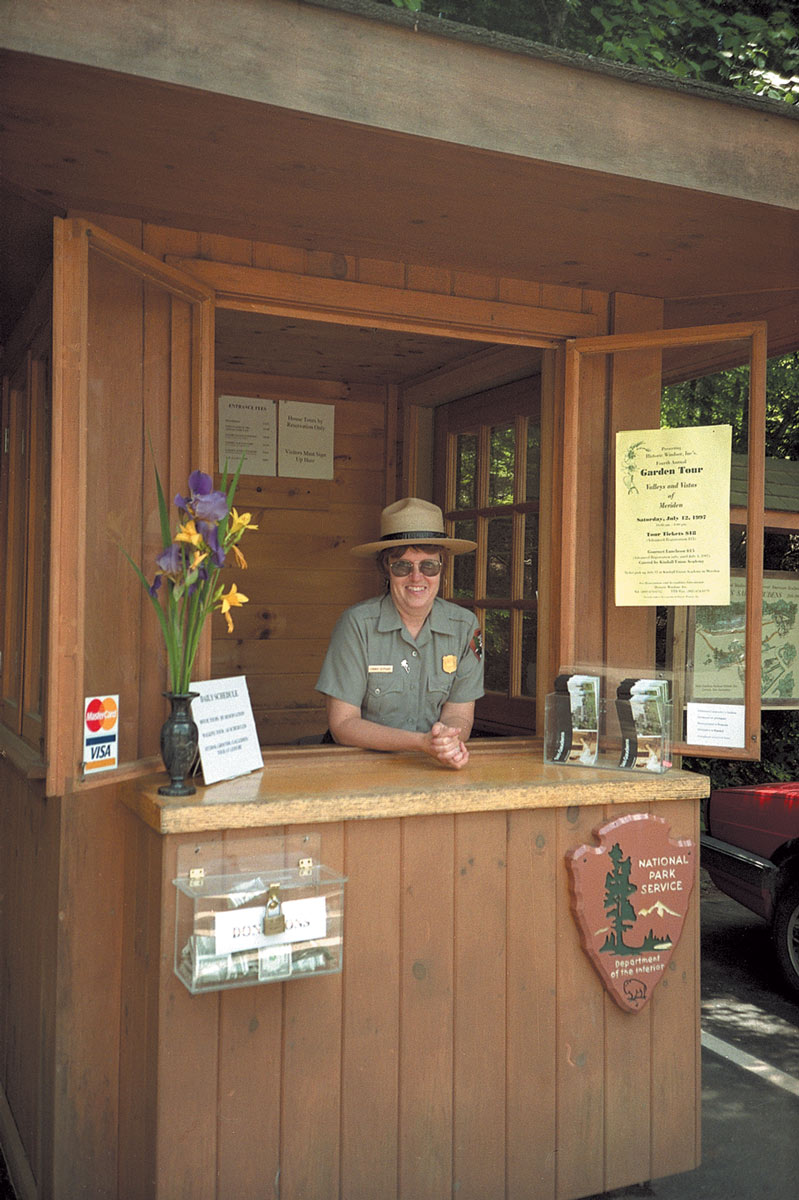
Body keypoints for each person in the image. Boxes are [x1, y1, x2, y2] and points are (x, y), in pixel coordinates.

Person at [316, 498, 484, 769]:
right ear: (386, 568)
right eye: (403, 566)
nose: (416, 577)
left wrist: (447, 742)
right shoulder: (357, 625)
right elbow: (343, 724)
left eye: (428, 566)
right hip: (358, 769)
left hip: (431, 766)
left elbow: (459, 714)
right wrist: (420, 743)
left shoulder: (464, 627)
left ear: (442, 567)